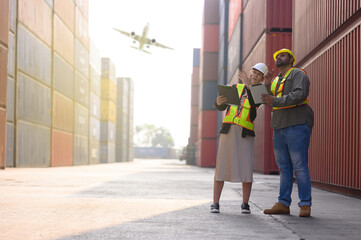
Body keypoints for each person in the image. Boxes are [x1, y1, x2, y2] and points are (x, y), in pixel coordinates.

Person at [261, 49, 314, 217]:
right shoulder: (276, 80)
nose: (278, 57)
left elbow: (300, 94)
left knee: (299, 166)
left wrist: (274, 99)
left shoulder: (298, 74)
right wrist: (267, 84)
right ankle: (283, 203)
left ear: (291, 59)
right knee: (284, 167)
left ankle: (305, 204)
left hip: (297, 123)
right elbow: (270, 99)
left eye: (283, 55)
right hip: (279, 125)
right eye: (276, 56)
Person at [211, 63, 269, 214]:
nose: (254, 75)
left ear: (262, 79)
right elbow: (223, 107)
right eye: (253, 72)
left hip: (245, 133)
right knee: (221, 167)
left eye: (258, 74)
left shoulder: (261, 92)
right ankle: (215, 203)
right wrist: (218, 103)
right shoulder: (236, 88)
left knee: (246, 168)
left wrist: (249, 85)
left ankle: (245, 204)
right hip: (228, 130)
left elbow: (255, 106)